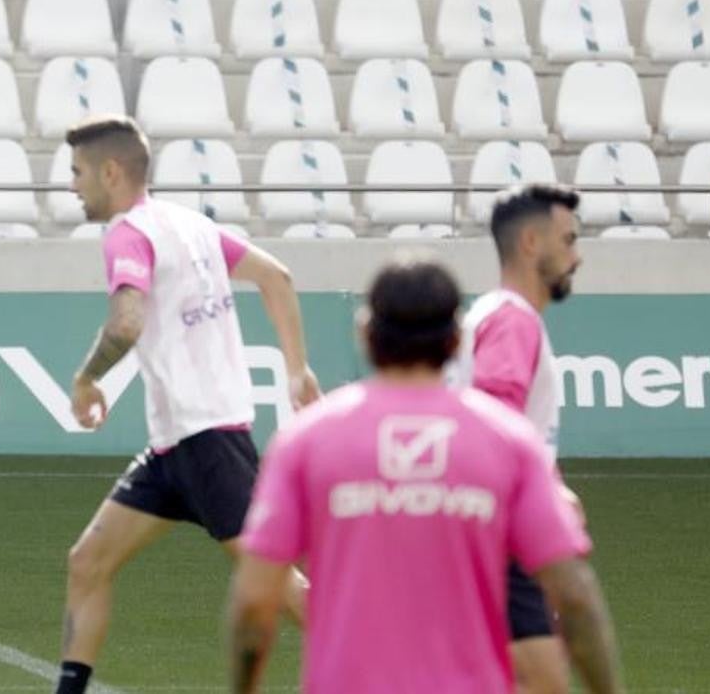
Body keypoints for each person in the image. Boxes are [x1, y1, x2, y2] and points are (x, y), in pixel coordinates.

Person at [229, 255, 623, 694]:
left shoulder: (305, 441)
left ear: (364, 332)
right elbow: (573, 595)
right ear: (457, 341)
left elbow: (253, 602)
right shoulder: (511, 441)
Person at [52, 114, 320, 694]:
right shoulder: (190, 225)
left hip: (208, 442)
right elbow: (277, 277)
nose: (72, 185)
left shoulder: (128, 234)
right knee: (87, 562)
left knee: (276, 582)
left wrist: (85, 379)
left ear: (111, 171)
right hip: (175, 446)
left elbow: (126, 323)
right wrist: (296, 369)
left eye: (77, 172)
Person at [448, 184, 585, 693]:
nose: (578, 256)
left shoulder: (489, 314)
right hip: (498, 536)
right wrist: (549, 498)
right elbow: (495, 418)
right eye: (568, 240)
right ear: (531, 243)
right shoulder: (513, 322)